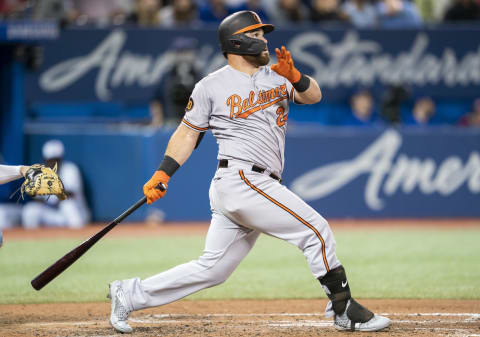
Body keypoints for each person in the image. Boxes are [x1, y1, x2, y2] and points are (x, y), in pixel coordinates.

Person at [107, 10, 390, 334]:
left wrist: (295, 76)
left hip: (252, 183)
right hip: (241, 178)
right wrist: (163, 173)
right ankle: (344, 309)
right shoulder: (211, 86)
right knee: (316, 230)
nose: (264, 39)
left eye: (262, 34)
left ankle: (127, 294)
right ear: (236, 41)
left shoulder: (278, 76)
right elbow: (187, 133)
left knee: (213, 270)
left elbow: (314, 96)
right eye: (256, 34)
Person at [21, 140, 90, 229]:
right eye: (50, 160)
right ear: (45, 160)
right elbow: (37, 199)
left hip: (72, 214)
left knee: (67, 205)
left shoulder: (70, 169)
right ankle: (31, 239)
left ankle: (79, 235)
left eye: (56, 160)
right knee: (30, 210)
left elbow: (70, 194)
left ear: (61, 159)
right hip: (51, 213)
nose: (53, 163)